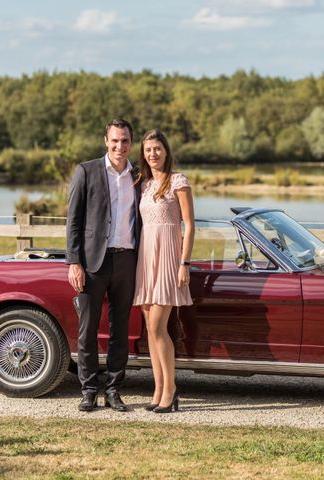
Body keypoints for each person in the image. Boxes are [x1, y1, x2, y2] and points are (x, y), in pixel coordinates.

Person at [66, 118, 141, 412]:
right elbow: (73, 221)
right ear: (105, 141)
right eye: (115, 140)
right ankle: (88, 390)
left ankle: (113, 389)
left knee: (120, 329)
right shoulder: (87, 171)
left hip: (126, 260)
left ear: (130, 143)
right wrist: (74, 262)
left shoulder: (138, 175)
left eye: (124, 141)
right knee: (87, 330)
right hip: (93, 262)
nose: (119, 146)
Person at [133, 129, 194, 414]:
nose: (152, 154)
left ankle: (171, 389)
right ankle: (157, 389)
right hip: (147, 257)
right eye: (147, 150)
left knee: (159, 327)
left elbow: (190, 226)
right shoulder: (143, 184)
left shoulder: (178, 181)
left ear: (166, 151)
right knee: (149, 329)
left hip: (169, 257)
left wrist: (185, 263)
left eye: (157, 148)